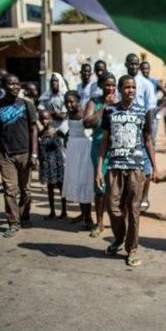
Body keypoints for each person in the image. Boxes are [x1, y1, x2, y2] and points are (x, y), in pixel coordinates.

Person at [96, 75, 158, 267]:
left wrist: (155, 167)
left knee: (133, 210)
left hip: (136, 168)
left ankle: (132, 250)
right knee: (112, 207)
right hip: (114, 166)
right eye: (127, 87)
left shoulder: (143, 111)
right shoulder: (110, 111)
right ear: (120, 89)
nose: (130, 90)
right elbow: (105, 141)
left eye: (133, 87)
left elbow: (148, 140)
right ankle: (119, 236)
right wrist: (99, 169)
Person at [0, 74, 38, 238]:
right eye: (11, 84)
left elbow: (34, 130)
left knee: (26, 190)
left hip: (25, 154)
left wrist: (34, 154)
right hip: (6, 155)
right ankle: (13, 222)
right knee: (10, 190)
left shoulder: (27, 105)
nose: (15, 87)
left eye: (17, 83)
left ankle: (24, 216)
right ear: (4, 86)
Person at [84, 72, 117, 238]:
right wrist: (104, 106)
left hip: (117, 148)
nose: (110, 88)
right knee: (100, 187)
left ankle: (118, 221)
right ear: (101, 86)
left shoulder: (120, 101)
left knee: (118, 187)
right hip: (98, 147)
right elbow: (87, 122)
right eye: (107, 85)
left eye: (113, 85)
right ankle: (99, 222)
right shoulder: (94, 101)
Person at [124, 53, 157, 211]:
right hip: (126, 127)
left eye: (136, 63)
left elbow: (150, 108)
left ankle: (145, 197)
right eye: (131, 64)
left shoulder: (146, 84)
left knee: (146, 163)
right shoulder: (122, 82)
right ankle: (130, 196)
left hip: (143, 126)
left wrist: (148, 131)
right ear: (126, 65)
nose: (134, 66)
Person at [62, 91, 95, 230]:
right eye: (67, 102)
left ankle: (89, 219)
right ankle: (83, 215)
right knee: (76, 182)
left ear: (78, 101)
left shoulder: (84, 114)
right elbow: (69, 130)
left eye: (72, 102)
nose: (69, 105)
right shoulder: (69, 114)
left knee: (84, 182)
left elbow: (89, 129)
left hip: (84, 150)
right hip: (73, 150)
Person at [38, 110, 66, 220]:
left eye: (46, 118)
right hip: (46, 164)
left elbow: (60, 145)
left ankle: (63, 211)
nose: (44, 121)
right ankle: (52, 211)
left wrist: (54, 136)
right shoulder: (40, 133)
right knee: (50, 188)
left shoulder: (56, 132)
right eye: (42, 119)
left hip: (56, 163)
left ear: (50, 119)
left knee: (60, 187)